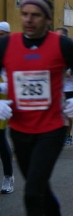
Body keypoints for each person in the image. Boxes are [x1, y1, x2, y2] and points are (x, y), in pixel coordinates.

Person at [0, 0, 73, 215]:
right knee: (41, 189)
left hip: (51, 130)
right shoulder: (6, 44)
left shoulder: (61, 44)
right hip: (20, 131)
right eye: (24, 14)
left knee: (32, 192)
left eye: (35, 15)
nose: (28, 20)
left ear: (48, 19)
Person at [55, 27, 73, 146]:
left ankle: (68, 135)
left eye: (60, 36)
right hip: (56, 87)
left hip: (68, 87)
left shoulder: (70, 51)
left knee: (68, 113)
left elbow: (70, 71)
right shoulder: (53, 51)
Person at [0, 21, 13, 194]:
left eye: (2, 34)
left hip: (4, 101)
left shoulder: (12, 53)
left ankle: (8, 176)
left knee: (0, 138)